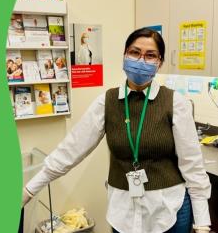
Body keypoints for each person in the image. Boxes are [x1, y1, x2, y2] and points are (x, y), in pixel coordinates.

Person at [22, 28, 211, 233]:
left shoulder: (175, 103)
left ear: (160, 63)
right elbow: (70, 150)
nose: (141, 60)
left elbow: (193, 165)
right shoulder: (108, 102)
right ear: (124, 55)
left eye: (150, 55)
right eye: (135, 52)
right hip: (124, 211)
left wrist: (202, 223)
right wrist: (29, 190)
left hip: (169, 209)